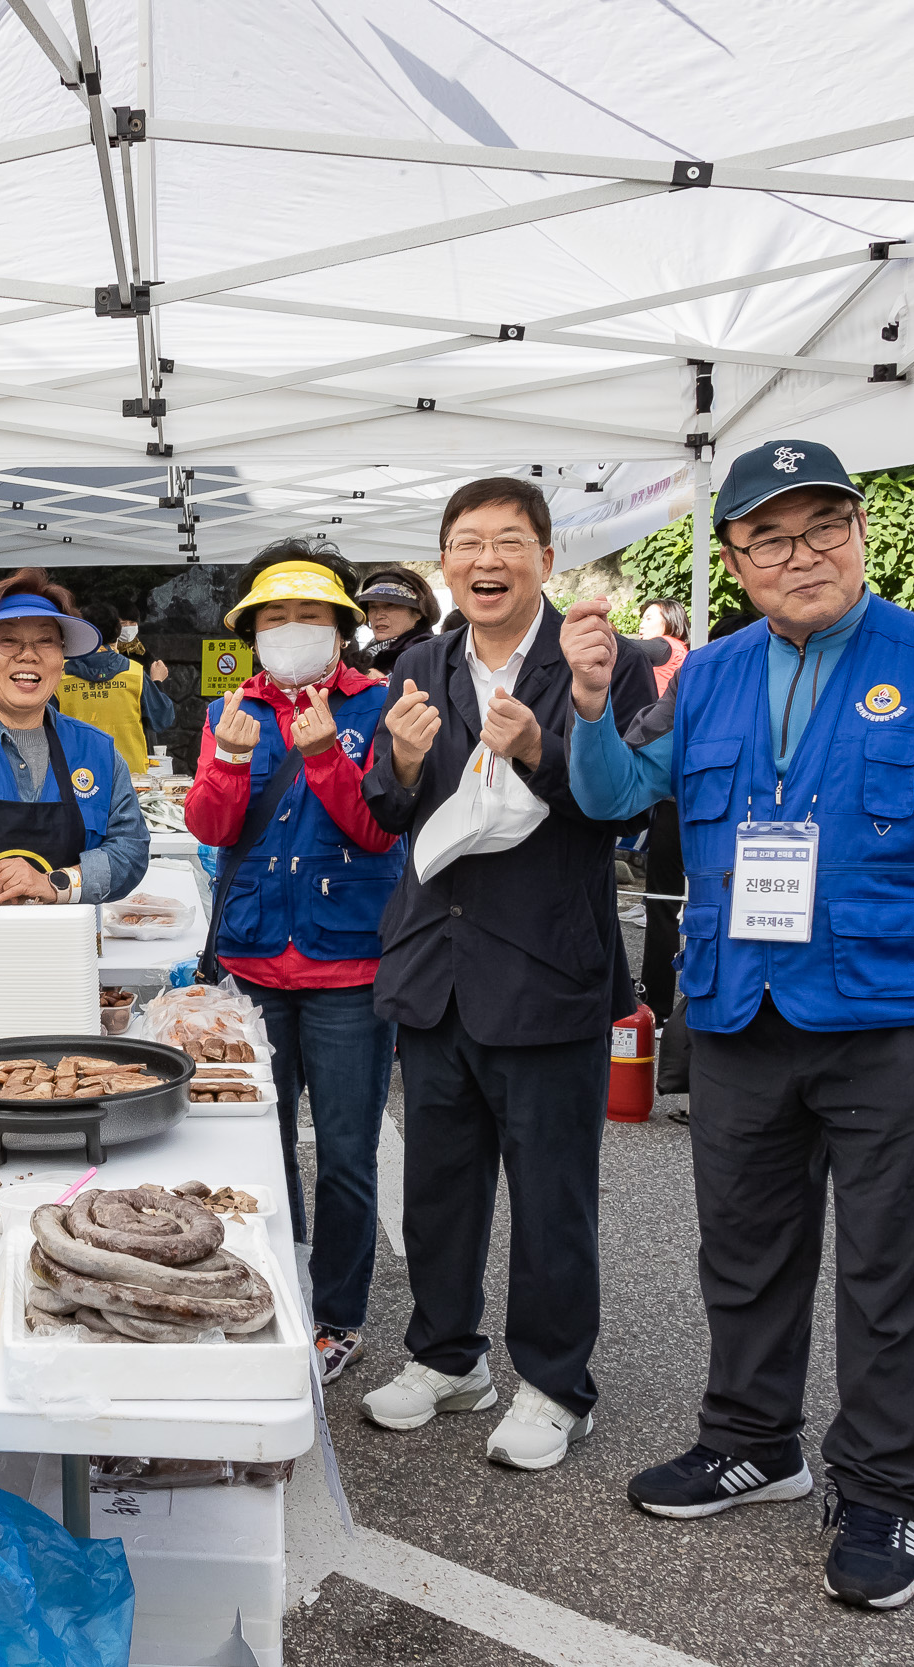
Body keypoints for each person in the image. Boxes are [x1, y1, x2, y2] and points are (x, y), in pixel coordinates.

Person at [565, 438, 914, 1611]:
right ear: (732, 560)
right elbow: (616, 796)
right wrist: (586, 706)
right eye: (768, 537)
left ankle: (883, 1490)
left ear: (859, 533)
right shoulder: (709, 672)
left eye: (821, 526)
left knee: (894, 1273)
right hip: (739, 1015)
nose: (799, 554)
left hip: (894, 1022)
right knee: (742, 1254)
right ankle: (752, 1441)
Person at [355, 476, 657, 1471]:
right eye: (467, 542)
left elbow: (622, 811)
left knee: (550, 1192)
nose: (486, 560)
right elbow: (386, 814)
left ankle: (556, 1382)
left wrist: (539, 752)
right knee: (438, 1187)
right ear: (443, 560)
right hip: (434, 969)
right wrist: (396, 766)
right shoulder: (419, 658)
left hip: (546, 970)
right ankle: (447, 1357)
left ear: (545, 558)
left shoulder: (603, 659)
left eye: (508, 542)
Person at [183, 542, 404, 1385]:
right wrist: (233, 760)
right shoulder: (226, 711)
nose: (292, 631)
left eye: (311, 616)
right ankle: (269, 1284)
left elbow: (381, 829)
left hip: (349, 964)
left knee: (347, 1152)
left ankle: (338, 1312)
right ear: (250, 632)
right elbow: (211, 827)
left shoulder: (380, 706)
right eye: (274, 618)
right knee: (255, 1147)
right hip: (251, 959)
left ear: (343, 630)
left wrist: (322, 755)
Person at [0, 569, 151, 904]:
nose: (28, 654)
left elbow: (131, 850)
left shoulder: (97, 751)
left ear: (62, 659)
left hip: (66, 948)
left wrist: (57, 883)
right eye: (7, 640)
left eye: (46, 641)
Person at [629, 596, 691, 1023]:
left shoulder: (670, 649)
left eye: (650, 617)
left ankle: (657, 998)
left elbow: (631, 648)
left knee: (663, 899)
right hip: (681, 792)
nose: (643, 624)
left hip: (674, 793)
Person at [60, 599, 177, 774]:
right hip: (130, 776)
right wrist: (157, 683)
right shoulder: (135, 673)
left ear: (81, 633)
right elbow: (163, 718)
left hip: (76, 776)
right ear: (117, 632)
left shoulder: (59, 677)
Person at [356, 567, 441, 674]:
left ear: (418, 612)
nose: (378, 615)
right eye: (372, 607)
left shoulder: (429, 656)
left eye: (390, 605)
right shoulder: (373, 652)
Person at [633, 596, 691, 696]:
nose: (641, 625)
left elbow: (624, 646)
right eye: (642, 620)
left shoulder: (663, 646)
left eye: (649, 619)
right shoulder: (680, 648)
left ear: (669, 620)